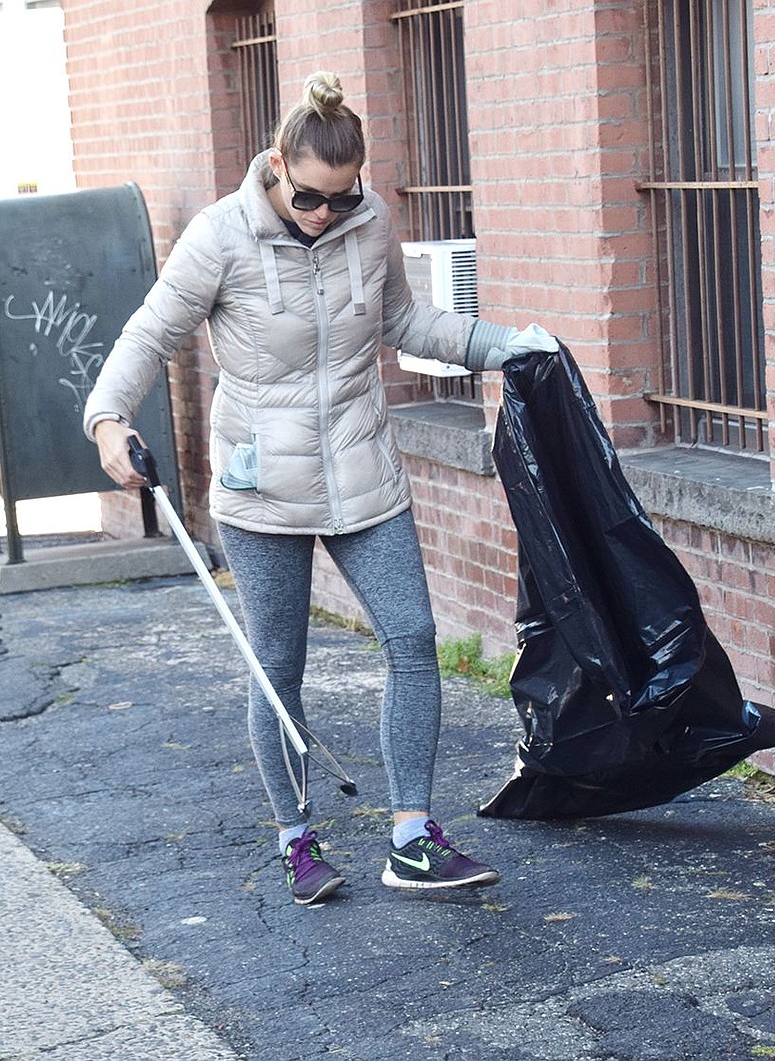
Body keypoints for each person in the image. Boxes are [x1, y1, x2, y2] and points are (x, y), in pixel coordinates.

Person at [85, 71, 529, 906]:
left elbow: (407, 324)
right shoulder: (222, 236)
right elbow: (152, 330)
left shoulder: (368, 225)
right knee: (278, 664)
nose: (325, 212)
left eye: (342, 194)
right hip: (262, 490)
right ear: (278, 165)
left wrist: (509, 344)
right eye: (311, 196)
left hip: (363, 472)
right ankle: (297, 840)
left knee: (411, 639)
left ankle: (411, 838)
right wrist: (108, 417)